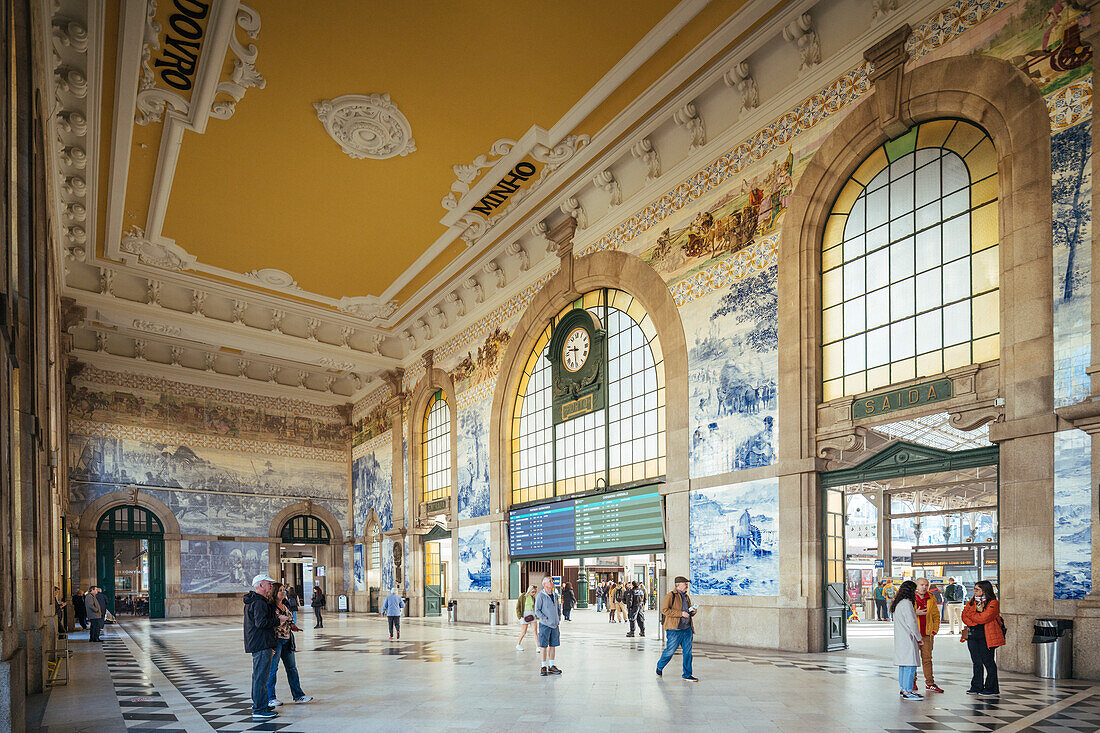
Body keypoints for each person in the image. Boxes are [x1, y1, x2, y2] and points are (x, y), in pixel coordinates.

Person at [267, 583, 313, 708]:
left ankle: (298, 695)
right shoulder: (270, 606)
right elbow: (268, 624)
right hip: (276, 641)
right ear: (274, 592)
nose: (283, 592)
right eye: (280, 590)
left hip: (287, 640)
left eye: (284, 590)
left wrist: (293, 626)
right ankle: (270, 697)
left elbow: (289, 619)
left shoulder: (285, 604)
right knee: (273, 669)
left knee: (292, 668)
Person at [244, 573, 283, 722]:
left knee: (261, 676)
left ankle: (262, 705)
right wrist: (278, 620)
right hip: (260, 644)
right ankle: (259, 709)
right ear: (260, 585)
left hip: (262, 643)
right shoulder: (259, 602)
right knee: (260, 678)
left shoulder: (257, 601)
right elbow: (261, 623)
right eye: (269, 583)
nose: (271, 586)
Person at [961, 580, 1003, 697]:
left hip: (987, 636)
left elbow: (984, 618)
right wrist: (974, 621)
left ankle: (991, 688)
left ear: (984, 590)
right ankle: (976, 686)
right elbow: (964, 615)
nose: (974, 591)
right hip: (973, 635)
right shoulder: (972, 601)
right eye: (974, 589)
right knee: (976, 662)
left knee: (988, 661)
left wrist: (973, 617)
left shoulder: (993, 602)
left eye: (977, 589)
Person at [656, 576, 698, 681]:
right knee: (670, 651)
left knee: (688, 653)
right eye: (685, 584)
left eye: (687, 584)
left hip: (687, 629)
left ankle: (687, 674)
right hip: (674, 629)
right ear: (678, 585)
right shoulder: (670, 596)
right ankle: (659, 667)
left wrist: (691, 612)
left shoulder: (686, 597)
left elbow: (686, 612)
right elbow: (664, 610)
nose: (687, 586)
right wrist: (681, 613)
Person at [892, 579, 923, 701]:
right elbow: (912, 623)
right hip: (908, 639)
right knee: (910, 665)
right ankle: (908, 690)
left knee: (904, 665)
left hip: (901, 638)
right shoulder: (907, 604)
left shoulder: (899, 603)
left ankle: (903, 688)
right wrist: (919, 638)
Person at [914, 577, 943, 693]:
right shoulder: (910, 598)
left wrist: (934, 630)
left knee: (927, 659)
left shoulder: (931, 597)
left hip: (927, 634)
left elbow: (936, 615)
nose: (924, 587)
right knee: (913, 660)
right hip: (914, 634)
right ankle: (912, 682)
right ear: (916, 585)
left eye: (926, 585)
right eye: (921, 585)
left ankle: (930, 683)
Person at [533, 576, 562, 676]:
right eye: (550, 581)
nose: (552, 582)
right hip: (545, 625)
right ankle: (543, 666)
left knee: (553, 645)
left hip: (555, 625)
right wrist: (545, 618)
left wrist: (559, 617)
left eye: (552, 581)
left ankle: (552, 665)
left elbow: (558, 607)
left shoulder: (555, 594)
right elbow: (537, 610)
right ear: (545, 584)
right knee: (543, 646)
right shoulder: (540, 596)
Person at [515, 585, 539, 651]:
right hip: (525, 616)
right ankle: (518, 644)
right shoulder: (522, 597)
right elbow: (518, 607)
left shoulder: (533, 598)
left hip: (533, 615)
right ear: (529, 590)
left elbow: (535, 607)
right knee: (523, 632)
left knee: (535, 631)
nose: (534, 593)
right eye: (533, 592)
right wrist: (520, 617)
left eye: (535, 592)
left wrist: (537, 616)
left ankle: (537, 647)